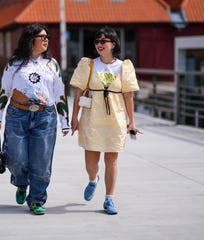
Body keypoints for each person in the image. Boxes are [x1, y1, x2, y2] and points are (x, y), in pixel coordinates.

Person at [0, 23, 70, 215]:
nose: (46, 40)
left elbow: (60, 93)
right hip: (18, 115)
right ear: (30, 39)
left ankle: (36, 200)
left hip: (45, 116)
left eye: (47, 37)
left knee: (42, 162)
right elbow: (4, 90)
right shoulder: (14, 63)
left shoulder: (52, 65)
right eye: (42, 37)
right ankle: (20, 183)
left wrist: (64, 121)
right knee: (16, 159)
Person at [70, 27, 141, 215]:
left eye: (104, 41)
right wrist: (74, 118)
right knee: (90, 163)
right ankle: (93, 179)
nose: (99, 44)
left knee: (112, 160)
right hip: (92, 119)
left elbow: (128, 96)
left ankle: (109, 199)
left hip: (115, 120)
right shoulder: (88, 65)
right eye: (97, 41)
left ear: (113, 44)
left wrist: (131, 122)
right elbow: (78, 94)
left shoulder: (124, 66)